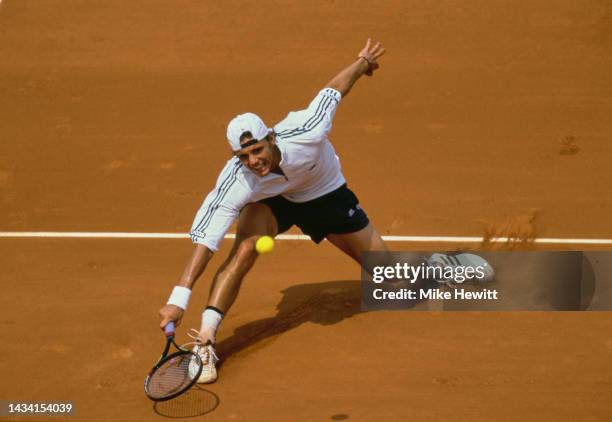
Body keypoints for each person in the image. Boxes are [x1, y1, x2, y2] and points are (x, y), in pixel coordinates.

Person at [158, 38, 492, 383]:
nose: (252, 162)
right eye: (242, 157)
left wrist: (363, 63)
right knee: (243, 248)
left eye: (257, 151)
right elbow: (207, 242)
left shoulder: (306, 130)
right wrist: (178, 299)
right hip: (273, 203)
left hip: (325, 194)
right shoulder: (237, 179)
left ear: (271, 138)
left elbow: (333, 90)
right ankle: (207, 339)